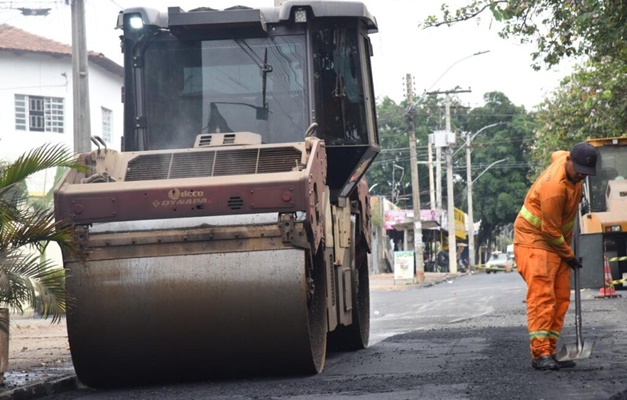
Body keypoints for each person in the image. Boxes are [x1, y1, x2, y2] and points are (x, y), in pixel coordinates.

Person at [513, 141, 598, 371]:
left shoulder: (567, 162)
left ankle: (550, 349)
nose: (581, 175)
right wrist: (569, 256)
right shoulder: (553, 189)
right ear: (569, 161)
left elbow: (554, 153)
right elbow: (550, 230)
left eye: (585, 173)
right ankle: (540, 353)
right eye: (579, 170)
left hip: (556, 242)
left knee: (561, 297)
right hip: (535, 240)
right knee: (543, 296)